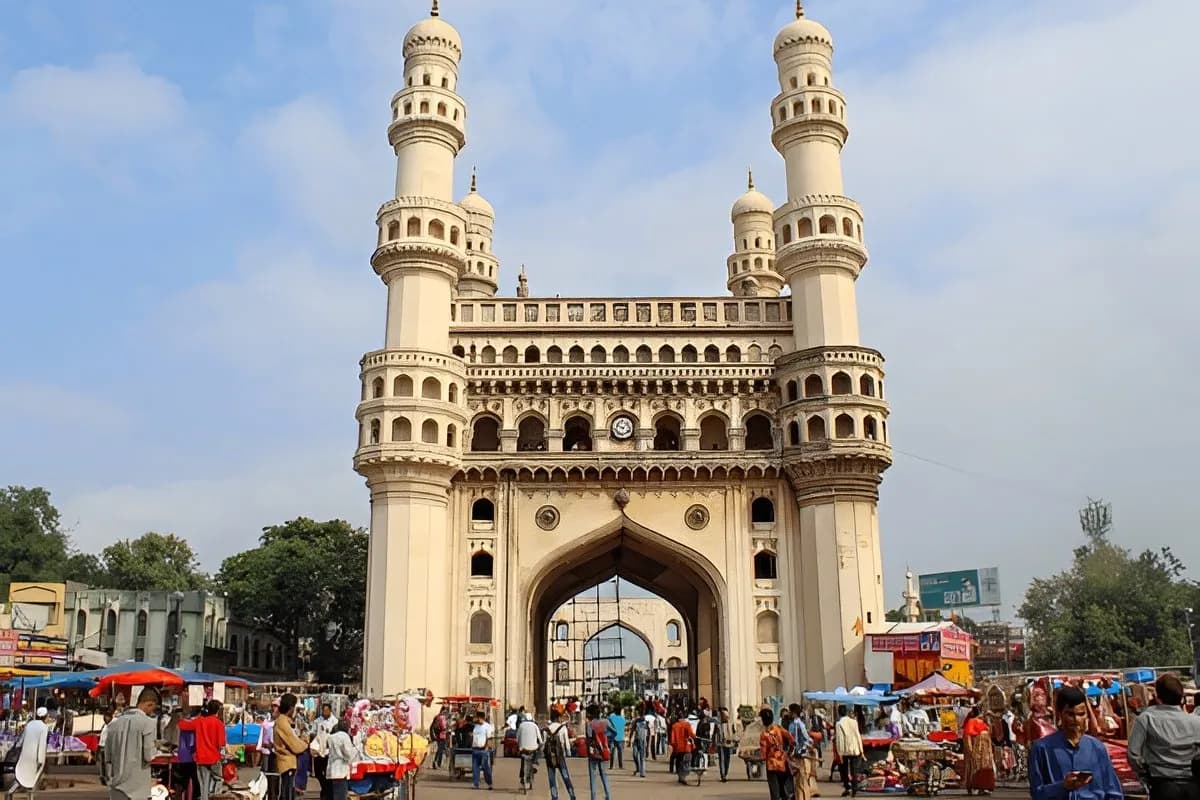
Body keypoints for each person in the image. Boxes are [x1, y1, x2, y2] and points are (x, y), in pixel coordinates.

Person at [1029, 685, 1123, 800]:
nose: (1077, 720)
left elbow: (1113, 791)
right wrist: (1063, 786)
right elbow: (1037, 793)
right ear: (1060, 714)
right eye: (1070, 714)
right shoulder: (1041, 749)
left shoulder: (1097, 748)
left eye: (1081, 714)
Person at [1128, 673, 1200, 800]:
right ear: (1181, 697)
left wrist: (1145, 774)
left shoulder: (1146, 718)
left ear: (1157, 696)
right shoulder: (1196, 721)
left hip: (1162, 785)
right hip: (1193, 786)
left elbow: (1133, 755)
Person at [105, 688, 160, 800]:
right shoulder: (148, 723)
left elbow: (108, 757)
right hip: (138, 786)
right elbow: (148, 756)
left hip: (116, 784)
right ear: (150, 704)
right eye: (153, 708)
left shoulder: (113, 725)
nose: (153, 712)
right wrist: (156, 748)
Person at [177, 700, 226, 800]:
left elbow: (182, 725)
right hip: (214, 757)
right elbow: (221, 743)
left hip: (201, 757)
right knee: (218, 779)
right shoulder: (219, 723)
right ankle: (216, 797)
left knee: (203, 783)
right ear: (218, 710)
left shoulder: (199, 721)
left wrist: (183, 716)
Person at [7, 707, 49, 800]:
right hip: (34, 758)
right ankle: (30, 798)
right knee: (33, 779)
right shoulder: (44, 728)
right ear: (45, 717)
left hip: (24, 756)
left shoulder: (29, 724)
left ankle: (10, 791)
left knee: (20, 777)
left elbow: (20, 741)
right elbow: (42, 745)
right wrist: (41, 761)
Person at [274, 694, 309, 800]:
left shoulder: (285, 721)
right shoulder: (282, 722)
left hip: (288, 762)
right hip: (287, 762)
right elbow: (295, 745)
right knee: (287, 794)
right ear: (290, 708)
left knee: (288, 792)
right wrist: (305, 742)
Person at [759, 707, 797, 800]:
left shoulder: (764, 735)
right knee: (785, 790)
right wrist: (789, 752)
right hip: (782, 762)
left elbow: (763, 755)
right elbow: (792, 740)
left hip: (771, 765)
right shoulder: (778, 728)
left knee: (774, 792)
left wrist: (759, 758)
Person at [543, 709, 577, 800]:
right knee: (566, 777)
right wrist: (568, 752)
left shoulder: (547, 729)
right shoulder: (563, 728)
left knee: (552, 779)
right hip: (560, 756)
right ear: (558, 718)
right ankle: (572, 795)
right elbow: (566, 742)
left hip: (550, 757)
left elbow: (544, 743)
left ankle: (554, 797)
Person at [961, 707, 995, 795]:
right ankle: (973, 787)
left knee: (985, 768)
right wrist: (970, 749)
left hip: (986, 750)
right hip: (977, 749)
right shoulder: (971, 721)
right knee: (975, 768)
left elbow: (990, 733)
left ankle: (983, 788)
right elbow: (967, 736)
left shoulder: (984, 723)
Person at [835, 704, 864, 798]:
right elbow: (858, 735)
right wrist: (861, 749)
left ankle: (847, 787)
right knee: (854, 771)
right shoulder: (854, 722)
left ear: (839, 713)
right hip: (855, 748)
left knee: (844, 770)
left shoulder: (839, 723)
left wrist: (839, 753)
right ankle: (854, 789)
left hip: (845, 750)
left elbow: (840, 739)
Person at [323, 721, 355, 800]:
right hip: (341, 771)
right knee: (340, 796)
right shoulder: (344, 736)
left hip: (331, 770)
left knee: (331, 795)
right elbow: (348, 753)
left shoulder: (331, 737)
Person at [585, 705, 612, 800]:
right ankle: (608, 796)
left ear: (591, 714)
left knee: (593, 776)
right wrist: (607, 741)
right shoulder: (605, 722)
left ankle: (593, 798)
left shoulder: (589, 724)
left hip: (594, 753)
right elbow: (614, 732)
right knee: (603, 774)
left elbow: (588, 738)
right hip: (604, 751)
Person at [516, 712, 543, 790]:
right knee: (538, 751)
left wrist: (519, 745)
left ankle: (522, 776)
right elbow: (540, 739)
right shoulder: (535, 726)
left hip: (523, 749)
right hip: (533, 749)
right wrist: (540, 744)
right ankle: (535, 764)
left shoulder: (521, 725)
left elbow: (517, 738)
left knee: (522, 761)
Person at [470, 711, 495, 790]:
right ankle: (475, 784)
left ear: (482, 718)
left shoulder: (487, 726)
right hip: (475, 749)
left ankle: (489, 783)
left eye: (478, 718)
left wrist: (487, 747)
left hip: (483, 750)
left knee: (485, 768)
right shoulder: (476, 726)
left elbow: (489, 738)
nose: (477, 719)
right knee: (475, 768)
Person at [669, 713, 695, 785]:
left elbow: (672, 739)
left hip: (678, 747)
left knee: (679, 762)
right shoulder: (687, 725)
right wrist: (695, 738)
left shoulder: (674, 726)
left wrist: (673, 746)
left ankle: (680, 776)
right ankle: (684, 776)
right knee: (686, 762)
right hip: (686, 747)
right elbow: (691, 734)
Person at [716, 707, 738, 783]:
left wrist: (735, 741)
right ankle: (723, 775)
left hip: (729, 743)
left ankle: (725, 773)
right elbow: (715, 734)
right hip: (720, 744)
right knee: (722, 759)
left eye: (726, 715)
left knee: (727, 759)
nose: (725, 716)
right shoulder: (718, 724)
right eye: (723, 715)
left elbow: (734, 733)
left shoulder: (731, 724)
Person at [630, 711, 649, 778]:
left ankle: (642, 772)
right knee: (634, 755)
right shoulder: (636, 722)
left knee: (642, 757)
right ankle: (638, 768)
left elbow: (648, 735)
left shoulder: (646, 724)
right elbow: (632, 730)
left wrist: (647, 746)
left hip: (643, 742)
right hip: (636, 741)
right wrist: (630, 739)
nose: (642, 717)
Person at [97, 711, 114, 786]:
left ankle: (109, 778)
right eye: (104, 717)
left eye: (107, 717)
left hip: (108, 747)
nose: (105, 718)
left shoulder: (113, 726)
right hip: (101, 746)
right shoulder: (104, 725)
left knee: (108, 763)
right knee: (101, 763)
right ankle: (102, 777)